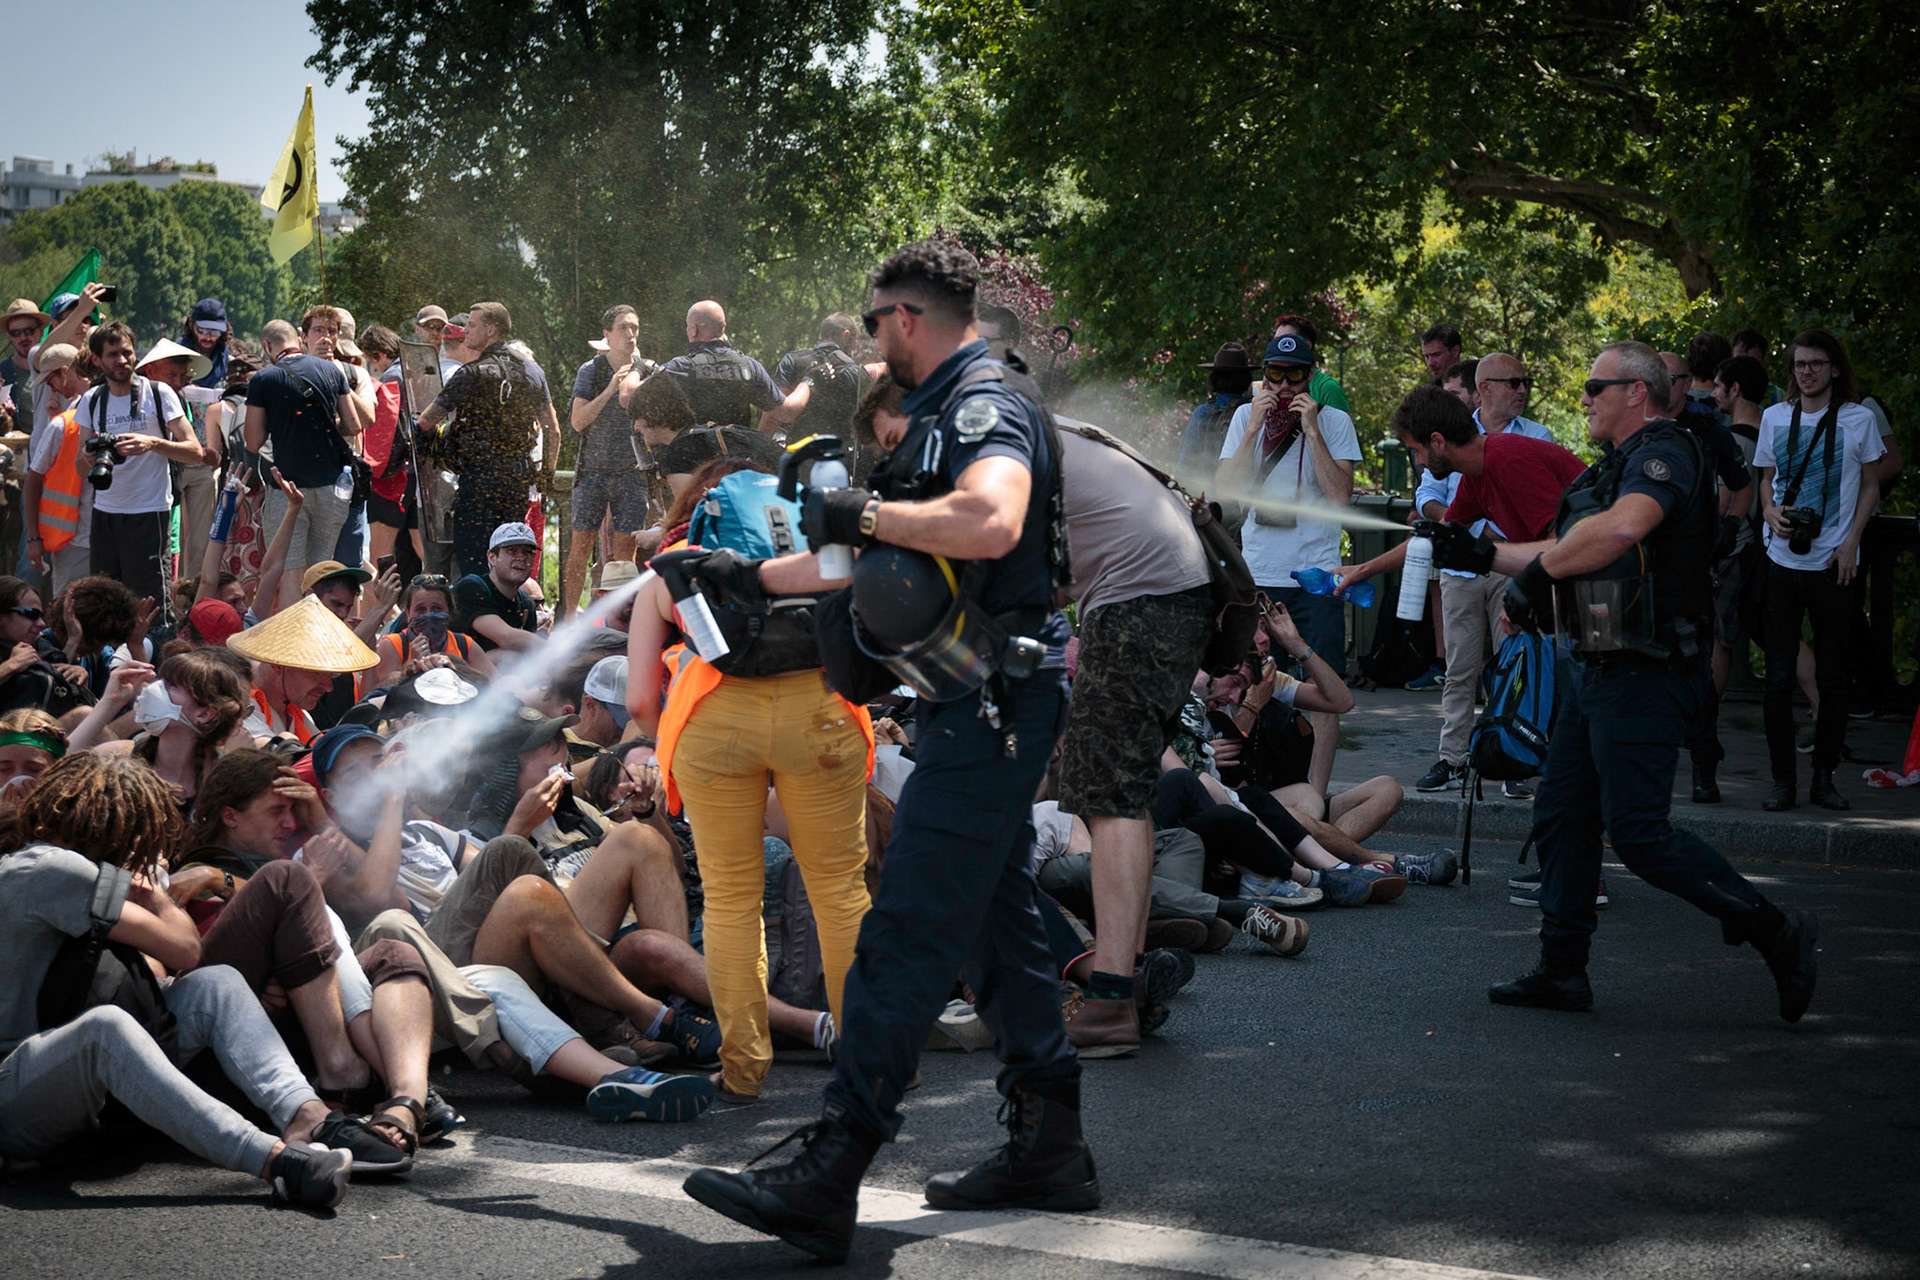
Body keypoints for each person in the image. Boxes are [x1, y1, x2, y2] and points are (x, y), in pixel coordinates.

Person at [682, 239, 1094, 1262]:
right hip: (977, 705)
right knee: (995, 927)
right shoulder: (940, 412)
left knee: (907, 928)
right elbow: (879, 552)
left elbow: (990, 521)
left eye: (873, 324)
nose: (869, 345)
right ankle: (1051, 1140)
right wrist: (749, 576)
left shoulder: (979, 406)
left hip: (990, 705)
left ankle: (836, 1159)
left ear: (906, 317)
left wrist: (860, 507)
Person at [1447, 340, 1816, 1023]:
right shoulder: (1614, 465)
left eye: (1596, 385)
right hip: (1600, 667)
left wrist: (1535, 576)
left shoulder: (1663, 454)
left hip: (1647, 674)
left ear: (1636, 393)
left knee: (1639, 834)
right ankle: (1562, 971)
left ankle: (1774, 929)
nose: (1583, 397)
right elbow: (1570, 545)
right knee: (1561, 818)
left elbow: (1622, 530)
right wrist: (1482, 552)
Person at [0, 752, 356, 1207]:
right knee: (105, 1028)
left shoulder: (51, 867)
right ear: (110, 831)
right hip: (16, 1094)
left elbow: (181, 964)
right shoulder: (50, 867)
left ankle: (309, 1115)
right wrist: (152, 890)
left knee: (218, 982)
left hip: (75, 1087)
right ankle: (276, 1162)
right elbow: (183, 947)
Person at [626, 469, 874, 1106]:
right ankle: (875, 1062)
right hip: (821, 714)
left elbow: (637, 700)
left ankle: (743, 1071)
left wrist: (677, 745)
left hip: (713, 726)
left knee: (733, 901)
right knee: (842, 893)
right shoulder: (817, 554)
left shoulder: (671, 572)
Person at [1044, 420, 1224, 1055]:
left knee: (1108, 799)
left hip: (1137, 603)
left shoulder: (985, 433)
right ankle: (1134, 975)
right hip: (1172, 595)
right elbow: (1051, 575)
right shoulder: (1045, 425)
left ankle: (1112, 1000)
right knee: (1128, 793)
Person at [1402, 354, 1557, 796]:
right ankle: (1453, 760)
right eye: (1513, 382)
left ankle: (1513, 757)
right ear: (1484, 388)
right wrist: (1467, 533)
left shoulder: (1528, 442)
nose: (1523, 389)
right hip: (1463, 567)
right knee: (1459, 669)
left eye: (1526, 381)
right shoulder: (1458, 436)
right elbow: (1432, 500)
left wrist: (1489, 544)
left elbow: (1557, 534)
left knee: (1518, 664)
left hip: (1516, 569)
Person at [1216, 331, 1361, 801]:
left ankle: (1316, 797)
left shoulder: (1335, 420)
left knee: (1322, 683)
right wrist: (1255, 429)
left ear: (1310, 376)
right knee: (1248, 680)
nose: (1282, 387)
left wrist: (1313, 430)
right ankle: (1250, 785)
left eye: (1293, 376)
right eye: (1273, 375)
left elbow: (1339, 497)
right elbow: (1225, 492)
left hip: (1313, 573)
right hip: (1258, 573)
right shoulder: (1244, 416)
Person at [1753, 330, 1883, 812]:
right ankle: (1782, 782)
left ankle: (1823, 777)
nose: (1805, 371)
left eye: (1814, 363)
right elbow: (1767, 479)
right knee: (1776, 680)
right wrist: (1768, 510)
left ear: (1834, 368)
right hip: (1781, 562)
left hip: (1832, 562)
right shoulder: (1773, 417)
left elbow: (1871, 483)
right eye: (1798, 364)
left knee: (1832, 678)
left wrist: (1852, 540)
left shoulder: (1858, 420)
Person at [72, 323, 209, 611]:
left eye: (127, 352)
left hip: (149, 512)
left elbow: (195, 451)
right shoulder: (92, 400)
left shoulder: (159, 394)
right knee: (105, 601)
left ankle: (154, 653)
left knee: (150, 605)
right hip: (106, 512)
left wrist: (151, 444)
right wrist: (89, 456)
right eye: (112, 354)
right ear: (96, 360)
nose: (122, 360)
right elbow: (81, 468)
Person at [414, 302, 555, 574]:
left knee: (475, 562)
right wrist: (545, 476)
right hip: (516, 483)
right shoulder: (532, 372)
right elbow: (555, 430)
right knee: (509, 557)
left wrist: (437, 446)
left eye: (472, 325)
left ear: (491, 330)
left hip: (478, 483)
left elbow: (425, 421)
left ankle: (476, 612)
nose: (465, 330)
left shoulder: (470, 374)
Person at [244, 316, 369, 611]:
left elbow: (252, 441)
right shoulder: (331, 370)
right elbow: (353, 425)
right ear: (299, 341)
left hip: (288, 490)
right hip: (332, 489)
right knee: (321, 572)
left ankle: (292, 649)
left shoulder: (263, 379)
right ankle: (316, 642)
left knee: (291, 572)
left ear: (267, 346)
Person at [565, 305, 652, 618]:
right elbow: (577, 422)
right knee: (580, 549)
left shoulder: (649, 369)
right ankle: (569, 618)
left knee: (624, 553)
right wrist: (610, 390)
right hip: (593, 472)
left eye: (635, 327)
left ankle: (617, 619)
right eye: (623, 328)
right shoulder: (592, 370)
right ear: (607, 334)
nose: (630, 334)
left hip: (632, 473)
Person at [228, 594, 380, 745]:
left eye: (330, 675)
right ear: (278, 665)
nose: (328, 687)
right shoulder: (241, 709)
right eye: (317, 673)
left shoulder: (297, 712)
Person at [135, 337, 219, 566]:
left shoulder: (178, 399)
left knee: (184, 541)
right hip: (152, 486)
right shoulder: (140, 401)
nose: (178, 382)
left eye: (182, 377)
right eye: (171, 376)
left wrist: (200, 452)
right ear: (150, 370)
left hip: (177, 474)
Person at [23, 344, 95, 591]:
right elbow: (33, 482)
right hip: (75, 542)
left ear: (64, 372)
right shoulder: (64, 421)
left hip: (84, 541)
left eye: (51, 379)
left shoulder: (63, 423)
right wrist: (34, 537)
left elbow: (32, 482)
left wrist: (34, 538)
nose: (50, 386)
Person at [658, 301, 786, 432]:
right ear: (723, 328)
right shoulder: (749, 366)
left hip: (694, 450)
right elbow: (785, 411)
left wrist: (640, 367)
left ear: (693, 330)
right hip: (738, 450)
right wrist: (806, 382)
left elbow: (639, 396)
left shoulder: (680, 367)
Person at [770, 313, 868, 440]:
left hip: (797, 450)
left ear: (821, 335)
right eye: (855, 341)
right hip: (838, 452)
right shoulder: (856, 371)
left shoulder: (793, 360)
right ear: (846, 335)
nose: (855, 347)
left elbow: (774, 411)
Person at [452, 522, 542, 654]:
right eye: (512, 551)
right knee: (506, 657)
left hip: (503, 673)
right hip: (455, 672)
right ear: (492, 558)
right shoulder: (471, 589)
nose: (522, 557)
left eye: (528, 552)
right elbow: (506, 638)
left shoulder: (527, 605)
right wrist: (557, 648)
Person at [1175, 341, 1255, 481]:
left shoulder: (1203, 412)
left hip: (1209, 494)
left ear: (1215, 378)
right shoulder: (1255, 411)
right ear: (1246, 378)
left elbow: (1185, 465)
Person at [184, 298, 232, 389]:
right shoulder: (178, 353)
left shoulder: (222, 353)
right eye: (202, 330)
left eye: (216, 332)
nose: (208, 337)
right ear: (191, 324)